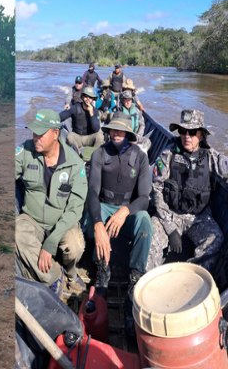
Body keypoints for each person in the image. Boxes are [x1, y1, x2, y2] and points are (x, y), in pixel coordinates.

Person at [84, 112, 152, 334]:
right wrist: (97, 223)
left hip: (127, 211)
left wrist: (126, 210)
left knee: (144, 221)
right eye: (113, 129)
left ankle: (134, 280)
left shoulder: (140, 157)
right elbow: (93, 193)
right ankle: (103, 270)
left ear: (129, 133)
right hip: (104, 206)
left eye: (121, 129)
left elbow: (144, 197)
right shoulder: (99, 154)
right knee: (94, 216)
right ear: (109, 131)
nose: (116, 133)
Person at [15, 109, 88, 297]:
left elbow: (74, 209)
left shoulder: (75, 164)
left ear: (55, 134)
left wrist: (51, 242)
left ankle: (71, 272)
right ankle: (55, 275)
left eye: (41, 134)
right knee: (16, 233)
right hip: (33, 219)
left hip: (61, 222)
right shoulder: (25, 151)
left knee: (75, 246)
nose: (35, 137)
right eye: (34, 132)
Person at [146, 109, 228, 273]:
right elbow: (157, 189)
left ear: (201, 135)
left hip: (198, 217)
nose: (186, 136)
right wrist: (170, 227)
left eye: (192, 132)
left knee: (215, 239)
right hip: (170, 214)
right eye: (183, 131)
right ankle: (147, 282)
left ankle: (191, 277)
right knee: (150, 237)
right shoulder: (168, 154)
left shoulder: (211, 157)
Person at [59, 86, 104, 152]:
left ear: (93, 99)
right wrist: (51, 119)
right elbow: (61, 116)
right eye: (86, 96)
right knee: (70, 136)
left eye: (90, 97)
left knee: (100, 136)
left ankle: (94, 155)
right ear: (82, 97)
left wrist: (91, 113)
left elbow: (96, 129)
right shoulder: (75, 108)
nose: (88, 99)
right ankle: (76, 154)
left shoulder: (95, 111)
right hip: (77, 137)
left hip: (89, 138)